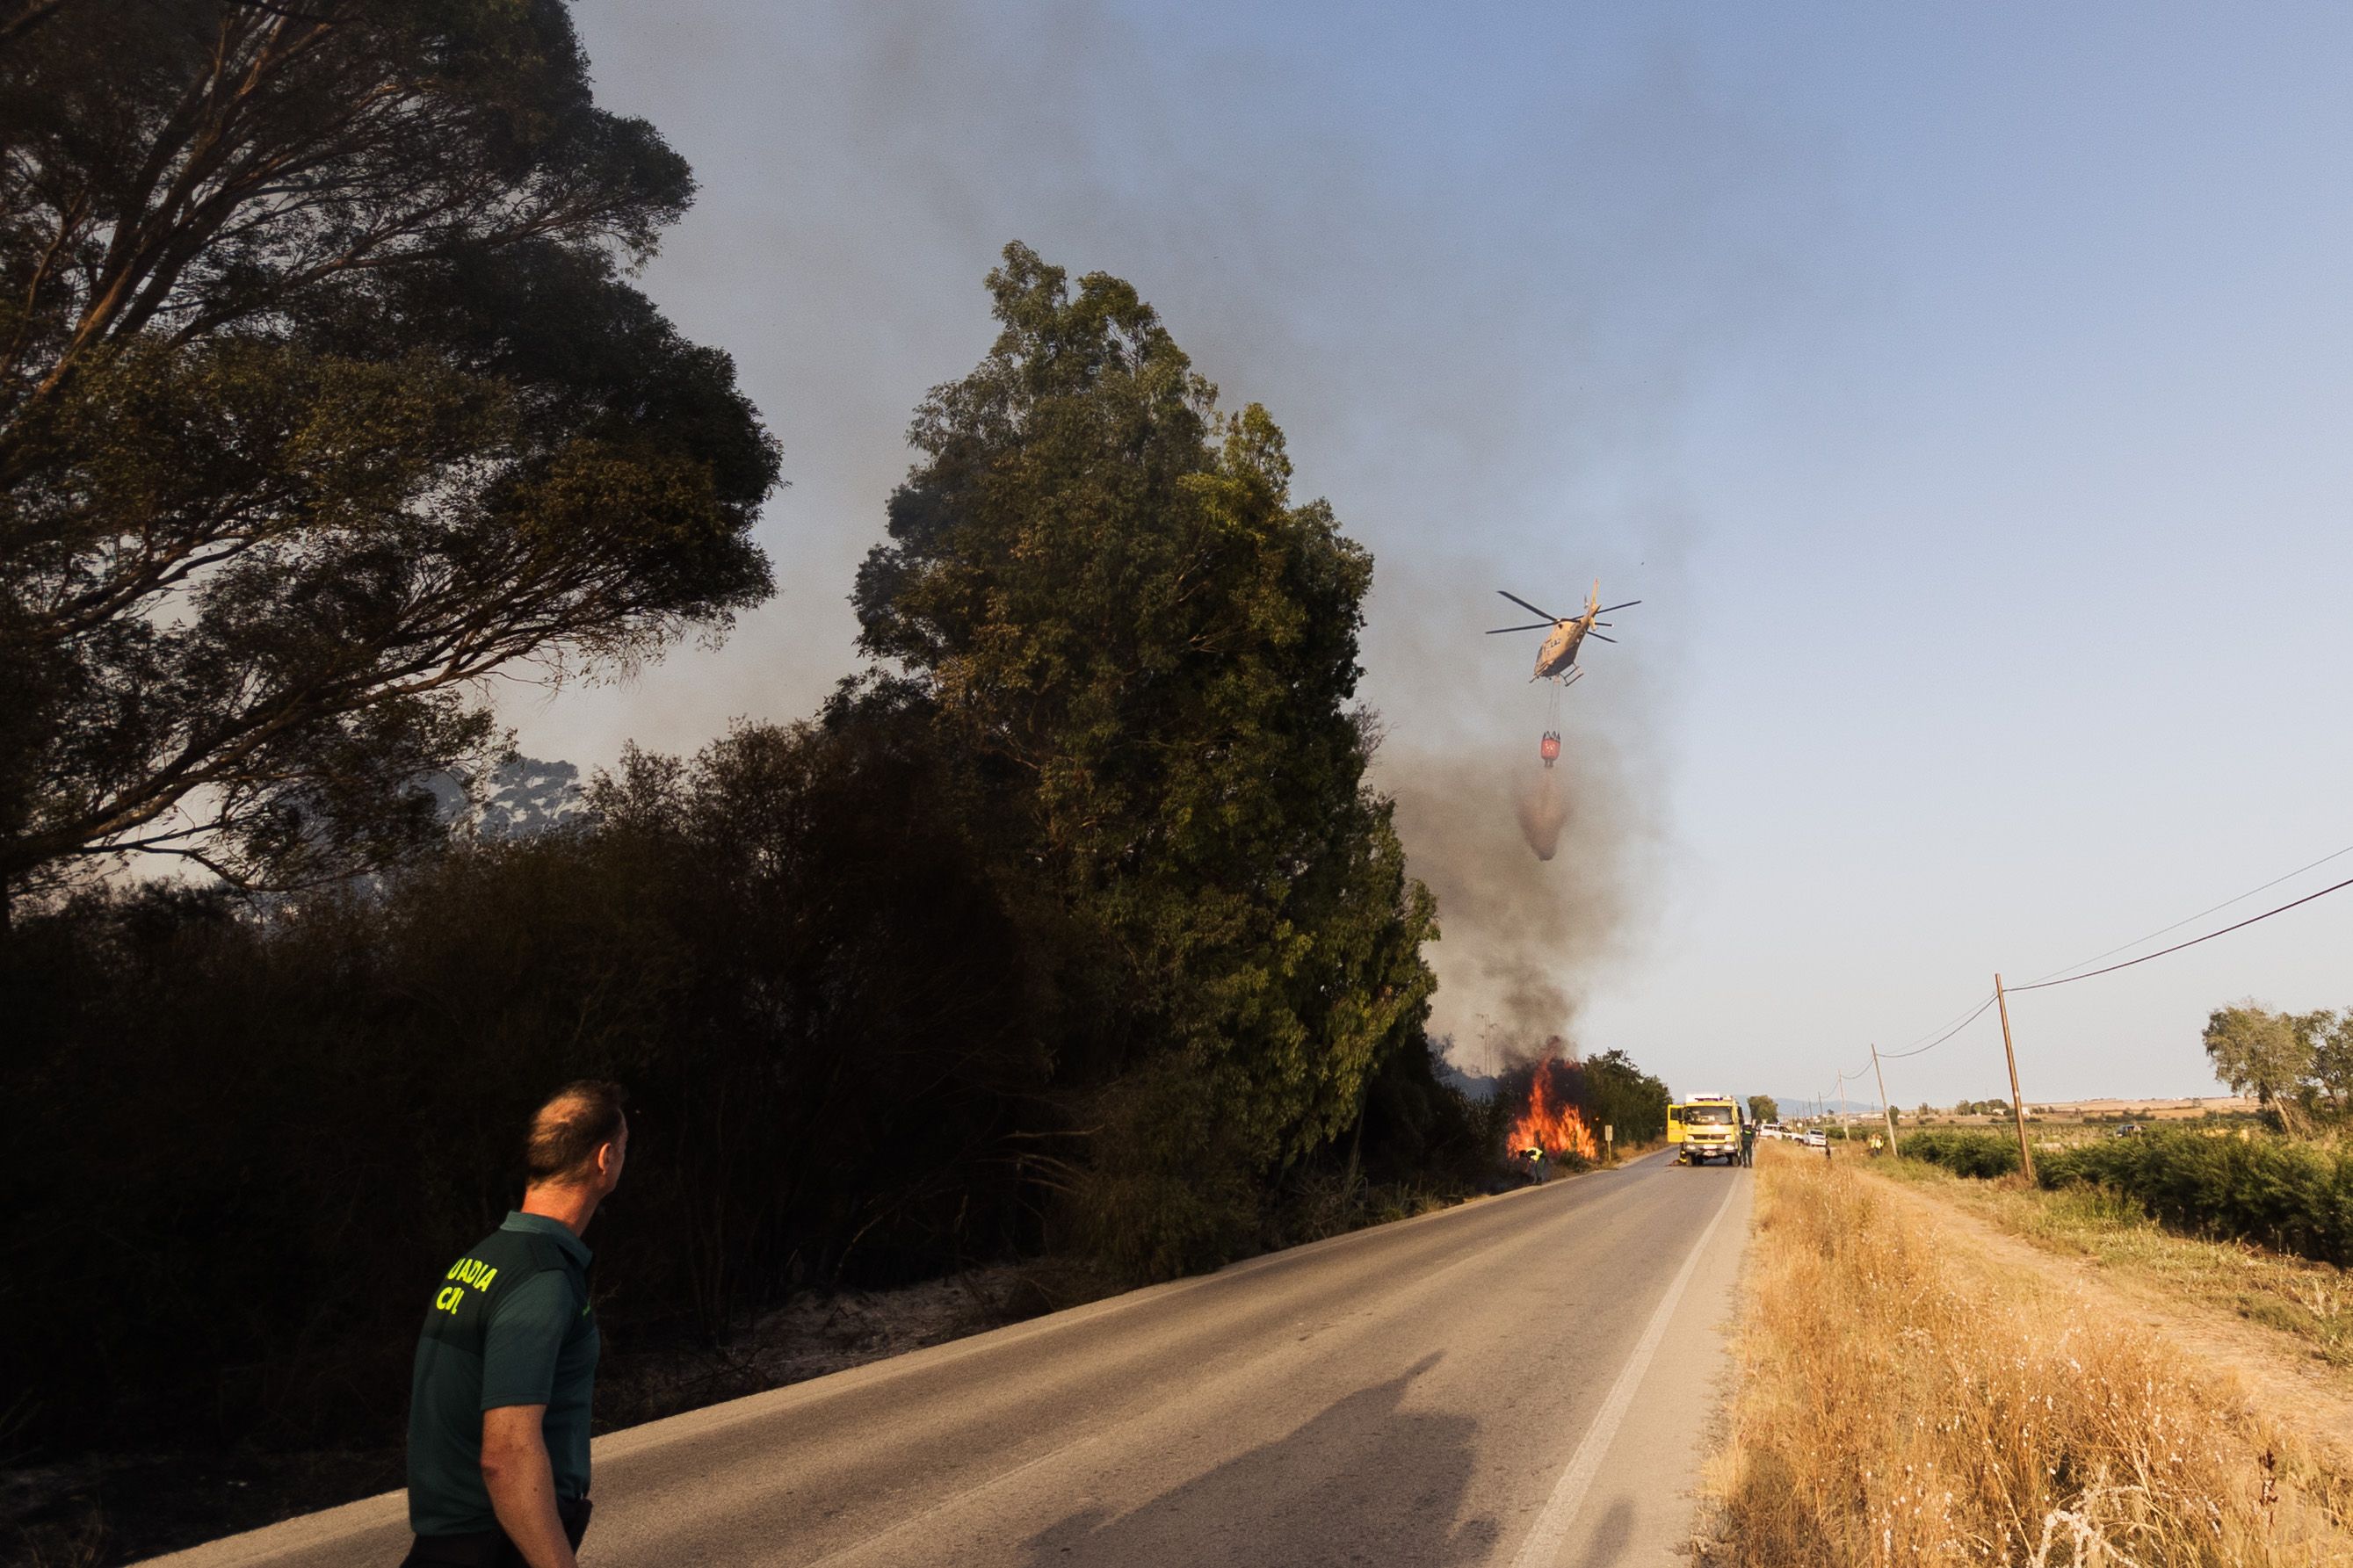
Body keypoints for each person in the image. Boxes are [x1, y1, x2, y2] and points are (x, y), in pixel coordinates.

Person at [402, 1082, 627, 1568]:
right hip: (494, 1547)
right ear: (605, 1159)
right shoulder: (542, 1279)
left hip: (451, 1545)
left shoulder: (483, 1260)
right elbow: (506, 1453)